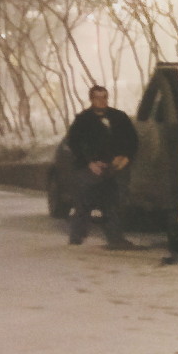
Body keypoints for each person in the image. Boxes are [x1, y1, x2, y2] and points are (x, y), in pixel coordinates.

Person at [63, 84, 140, 249]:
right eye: (97, 98)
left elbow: (133, 140)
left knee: (115, 203)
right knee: (83, 202)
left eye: (104, 97)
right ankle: (76, 238)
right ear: (91, 99)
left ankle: (115, 238)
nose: (101, 101)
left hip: (116, 167)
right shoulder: (83, 119)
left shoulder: (119, 117)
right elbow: (74, 143)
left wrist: (125, 158)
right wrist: (89, 163)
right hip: (91, 167)